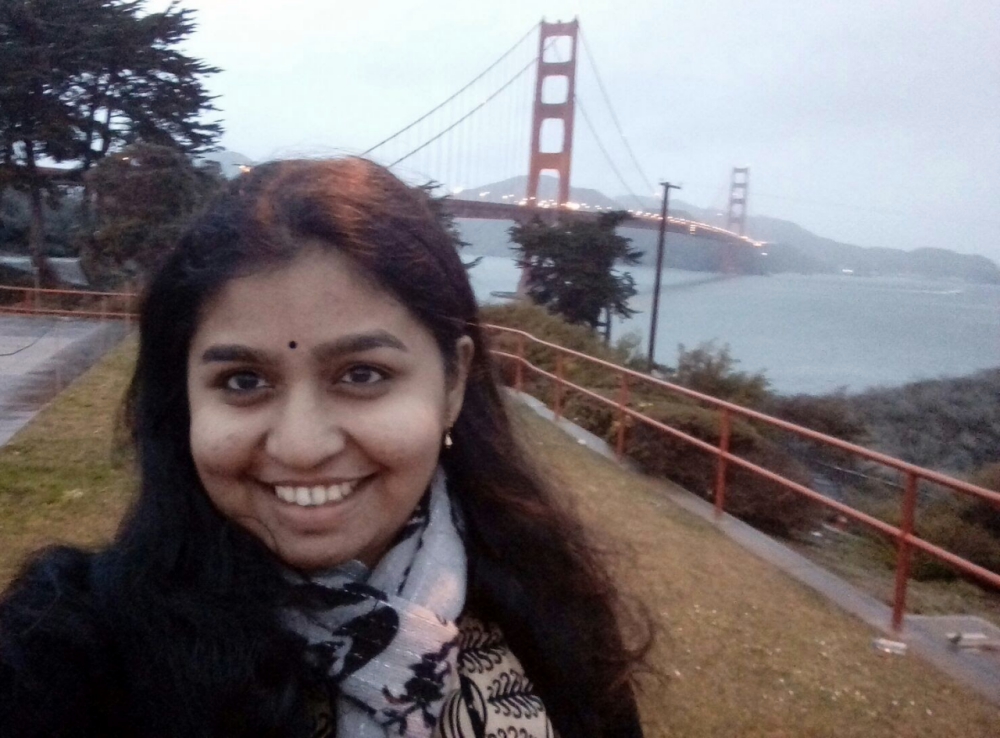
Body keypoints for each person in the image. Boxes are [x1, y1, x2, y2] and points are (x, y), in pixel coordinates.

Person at [0, 158, 650, 737]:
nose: (303, 447)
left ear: (452, 384)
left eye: (362, 374)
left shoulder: (556, 618)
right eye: (244, 381)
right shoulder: (75, 653)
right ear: (186, 402)